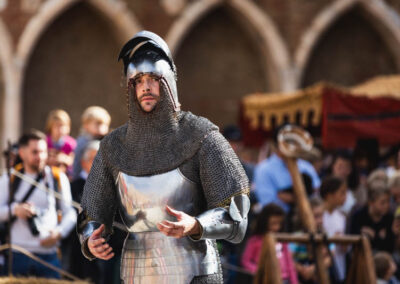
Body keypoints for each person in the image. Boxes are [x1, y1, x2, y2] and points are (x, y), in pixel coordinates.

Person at [77, 31, 250, 284]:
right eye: (138, 80)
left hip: (195, 270)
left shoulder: (201, 136)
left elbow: (236, 215)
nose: (145, 86)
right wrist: (91, 239)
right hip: (136, 272)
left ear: (168, 82)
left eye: (153, 78)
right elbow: (92, 213)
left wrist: (196, 225)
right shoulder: (113, 146)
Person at [0, 130, 76, 278]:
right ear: (22, 153)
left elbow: (70, 213)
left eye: (43, 152)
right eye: (35, 152)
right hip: (17, 255)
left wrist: (59, 232)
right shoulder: (9, 178)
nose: (40, 157)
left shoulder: (57, 177)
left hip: (49, 256)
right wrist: (15, 210)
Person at [254, 125, 320, 213]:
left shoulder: (306, 166)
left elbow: (316, 194)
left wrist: (290, 198)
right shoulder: (263, 169)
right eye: (288, 142)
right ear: (277, 144)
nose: (292, 145)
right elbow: (268, 202)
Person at [241, 203, 298, 284]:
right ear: (265, 222)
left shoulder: (282, 241)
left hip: (284, 279)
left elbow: (290, 264)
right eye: (273, 223)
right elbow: (246, 261)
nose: (276, 227)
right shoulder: (255, 240)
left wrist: (294, 282)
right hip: (265, 280)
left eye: (279, 224)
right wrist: (259, 271)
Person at [348, 177, 395, 253]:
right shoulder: (359, 216)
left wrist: (375, 236)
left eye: (388, 201)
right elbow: (353, 241)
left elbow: (389, 246)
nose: (387, 205)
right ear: (371, 202)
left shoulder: (389, 217)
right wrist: (379, 237)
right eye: (382, 202)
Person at [72, 106, 110, 180]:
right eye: (98, 124)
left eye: (105, 124)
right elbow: (76, 166)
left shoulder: (105, 140)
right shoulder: (82, 142)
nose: (102, 127)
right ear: (86, 125)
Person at [320, 176, 347, 282]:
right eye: (342, 193)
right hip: (323, 265)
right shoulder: (318, 216)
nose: (345, 197)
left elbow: (345, 248)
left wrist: (344, 244)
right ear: (329, 195)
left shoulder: (342, 217)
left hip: (339, 267)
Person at [45, 109, 76, 175]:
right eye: (57, 126)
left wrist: (65, 159)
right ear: (50, 127)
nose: (60, 129)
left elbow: (75, 161)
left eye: (63, 126)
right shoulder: (45, 142)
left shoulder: (71, 144)